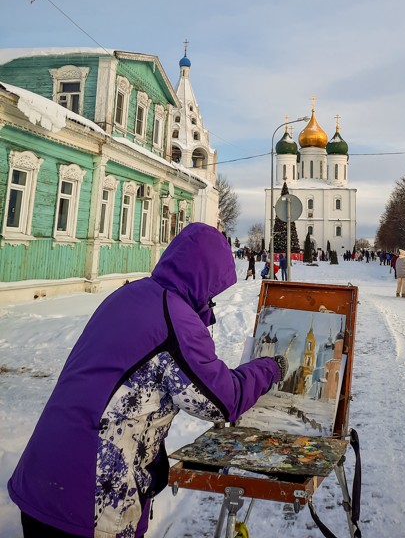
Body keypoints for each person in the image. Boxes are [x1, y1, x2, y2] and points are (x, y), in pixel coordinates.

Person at [8, 223, 288, 538]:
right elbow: (223, 400)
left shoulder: (132, 294)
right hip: (92, 500)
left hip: (42, 479)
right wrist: (271, 367)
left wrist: (200, 313)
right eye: (214, 289)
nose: (213, 298)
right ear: (206, 277)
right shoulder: (175, 317)